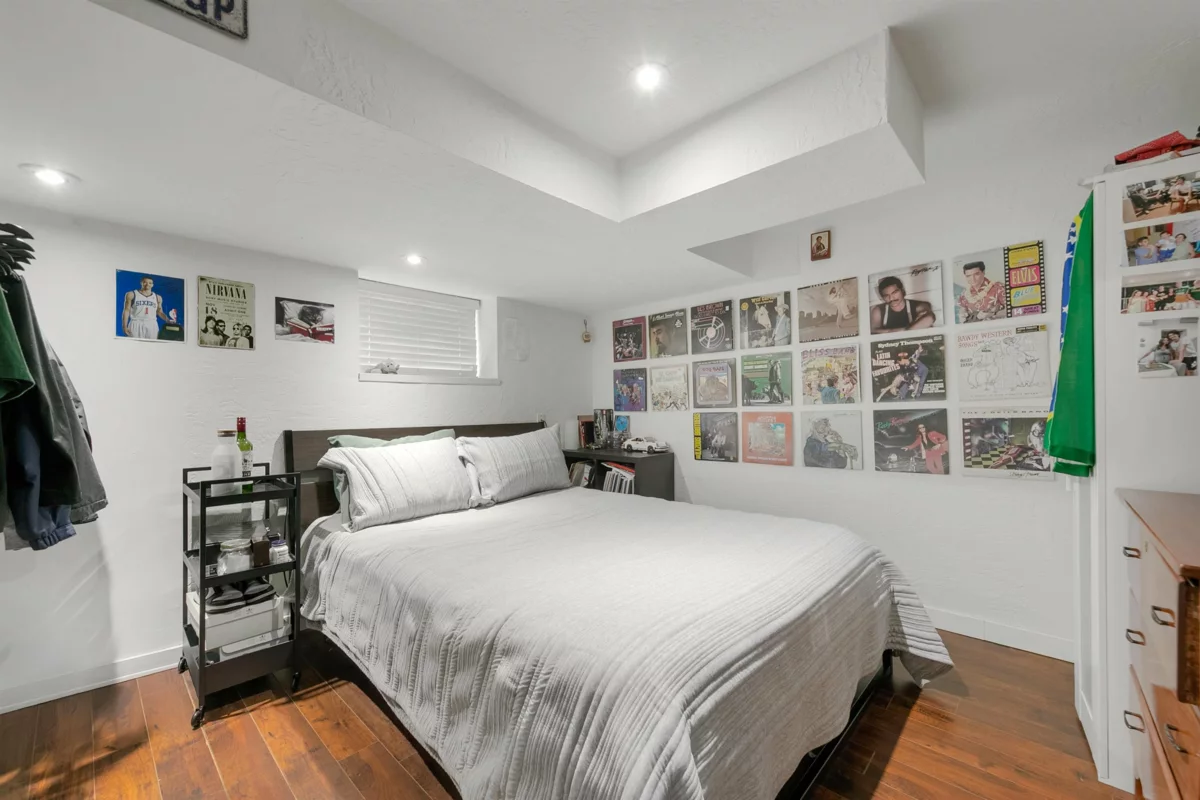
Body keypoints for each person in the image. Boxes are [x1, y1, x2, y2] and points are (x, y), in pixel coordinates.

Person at [870, 275, 935, 333]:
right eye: (886, 295)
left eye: (894, 293)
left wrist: (900, 332)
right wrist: (909, 329)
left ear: (902, 290)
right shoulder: (878, 310)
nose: (891, 298)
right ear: (882, 297)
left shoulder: (918, 305)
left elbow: (929, 318)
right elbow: (873, 331)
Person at [121, 276, 172, 340]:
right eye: (145, 282)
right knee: (134, 346)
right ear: (141, 283)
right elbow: (126, 310)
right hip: (136, 323)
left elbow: (160, 312)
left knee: (152, 346)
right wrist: (124, 326)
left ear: (152, 285)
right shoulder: (131, 294)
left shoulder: (158, 297)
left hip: (152, 324)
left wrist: (168, 320)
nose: (147, 284)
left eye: (150, 283)